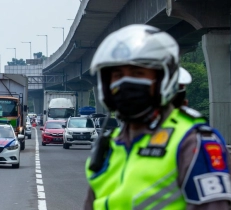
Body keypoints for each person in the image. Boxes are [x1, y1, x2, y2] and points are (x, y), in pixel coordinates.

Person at [84, 24, 231, 209]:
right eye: (117, 74)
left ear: (163, 79)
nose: (126, 82)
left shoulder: (192, 142)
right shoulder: (108, 147)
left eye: (138, 73)